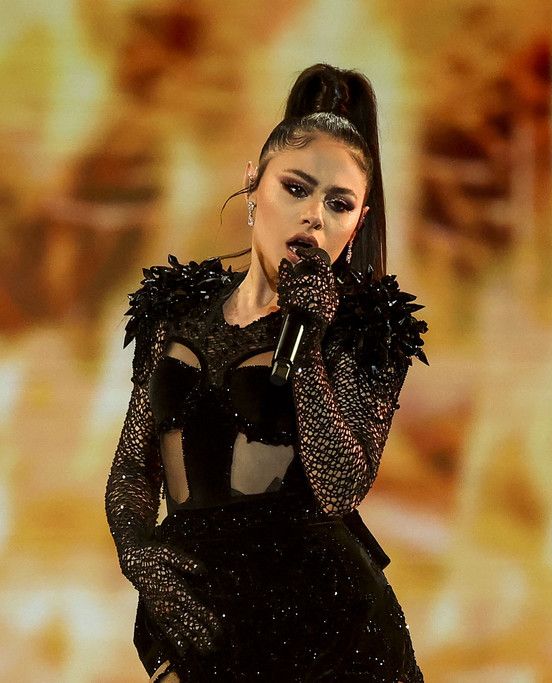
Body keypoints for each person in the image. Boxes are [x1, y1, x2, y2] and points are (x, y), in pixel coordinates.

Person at [105, 64, 427, 682]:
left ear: (359, 220)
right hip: (202, 610)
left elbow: (341, 489)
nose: (314, 216)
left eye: (338, 203)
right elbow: (133, 467)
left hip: (328, 630)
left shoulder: (367, 330)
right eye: (296, 188)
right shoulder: (175, 310)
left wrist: (309, 341)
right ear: (253, 182)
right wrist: (137, 551)